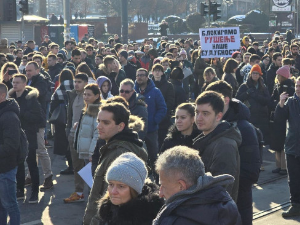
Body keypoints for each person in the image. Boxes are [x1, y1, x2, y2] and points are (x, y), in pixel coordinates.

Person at [206, 80, 261, 225]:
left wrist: (225, 187)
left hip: (237, 200)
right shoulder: (209, 123)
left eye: (212, 100)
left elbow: (251, 172)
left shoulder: (244, 128)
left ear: (225, 100)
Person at [83, 102, 148, 225]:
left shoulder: (120, 154)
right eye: (99, 121)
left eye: (106, 123)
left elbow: (110, 198)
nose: (99, 126)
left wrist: (93, 222)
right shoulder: (113, 147)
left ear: (120, 126)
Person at [153, 146, 242, 225]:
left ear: (181, 186)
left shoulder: (172, 221)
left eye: (163, 186)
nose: (160, 193)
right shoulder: (227, 205)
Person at [193, 91, 241, 202]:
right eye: (197, 112)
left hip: (214, 213)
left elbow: (221, 190)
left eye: (205, 113)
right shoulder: (205, 139)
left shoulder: (225, 145)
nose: (199, 118)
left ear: (218, 116)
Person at [90, 152, 164, 225]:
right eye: (111, 184)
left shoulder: (151, 218)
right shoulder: (107, 210)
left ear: (135, 189)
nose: (113, 191)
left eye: (121, 186)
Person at [25, 62, 53, 191]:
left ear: (37, 70)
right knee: (31, 150)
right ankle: (30, 176)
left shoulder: (41, 80)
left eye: (30, 70)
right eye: (26, 70)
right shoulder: (29, 81)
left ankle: (48, 178)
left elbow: (38, 93)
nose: (28, 73)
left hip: (38, 120)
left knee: (41, 150)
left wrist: (25, 89)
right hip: (28, 121)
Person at [275, 77, 300, 217]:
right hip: (292, 146)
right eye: (297, 85)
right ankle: (295, 205)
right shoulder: (290, 102)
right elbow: (279, 119)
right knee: (294, 180)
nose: (297, 88)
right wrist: (281, 104)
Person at [134, 68, 167, 173]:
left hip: (151, 130)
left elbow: (162, 108)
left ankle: (156, 179)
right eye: (137, 75)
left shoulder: (155, 91)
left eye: (142, 75)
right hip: (136, 131)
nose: (139, 77)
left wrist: (154, 121)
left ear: (147, 77)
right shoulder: (133, 92)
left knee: (153, 156)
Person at [64, 73, 88, 201]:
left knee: (90, 165)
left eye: (79, 81)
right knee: (77, 166)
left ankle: (94, 193)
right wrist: (68, 131)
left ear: (85, 83)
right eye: (75, 81)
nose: (76, 84)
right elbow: (70, 115)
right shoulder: (73, 95)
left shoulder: (90, 96)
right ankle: (79, 193)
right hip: (73, 136)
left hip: (86, 137)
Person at [0, 83, 21, 225]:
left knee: (10, 205)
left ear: (2, 95)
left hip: (6, 168)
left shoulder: (9, 116)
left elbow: (11, 146)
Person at [236, 65, 271, 144]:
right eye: (253, 73)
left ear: (260, 75)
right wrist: (247, 93)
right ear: (250, 74)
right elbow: (237, 99)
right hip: (250, 116)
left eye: (257, 73)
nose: (255, 75)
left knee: (261, 140)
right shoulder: (244, 86)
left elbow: (268, 100)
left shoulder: (263, 86)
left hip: (262, 117)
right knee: (251, 139)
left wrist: (256, 96)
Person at [269, 66, 295, 175]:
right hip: (277, 116)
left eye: (279, 75)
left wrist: (277, 103)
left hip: (284, 118)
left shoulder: (289, 88)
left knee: (282, 143)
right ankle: (279, 166)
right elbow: (272, 99)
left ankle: (283, 167)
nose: (277, 77)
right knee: (277, 143)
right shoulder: (277, 86)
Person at [50, 69, 74, 172]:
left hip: (61, 120)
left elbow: (52, 105)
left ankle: (70, 166)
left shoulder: (59, 89)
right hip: (74, 118)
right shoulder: (75, 86)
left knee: (64, 142)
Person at [151, 63, 175, 148]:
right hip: (151, 117)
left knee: (162, 142)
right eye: (155, 71)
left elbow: (170, 101)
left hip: (164, 118)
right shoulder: (149, 86)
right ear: (152, 72)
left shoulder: (168, 85)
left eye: (159, 71)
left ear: (162, 72)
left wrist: (162, 111)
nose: (157, 73)